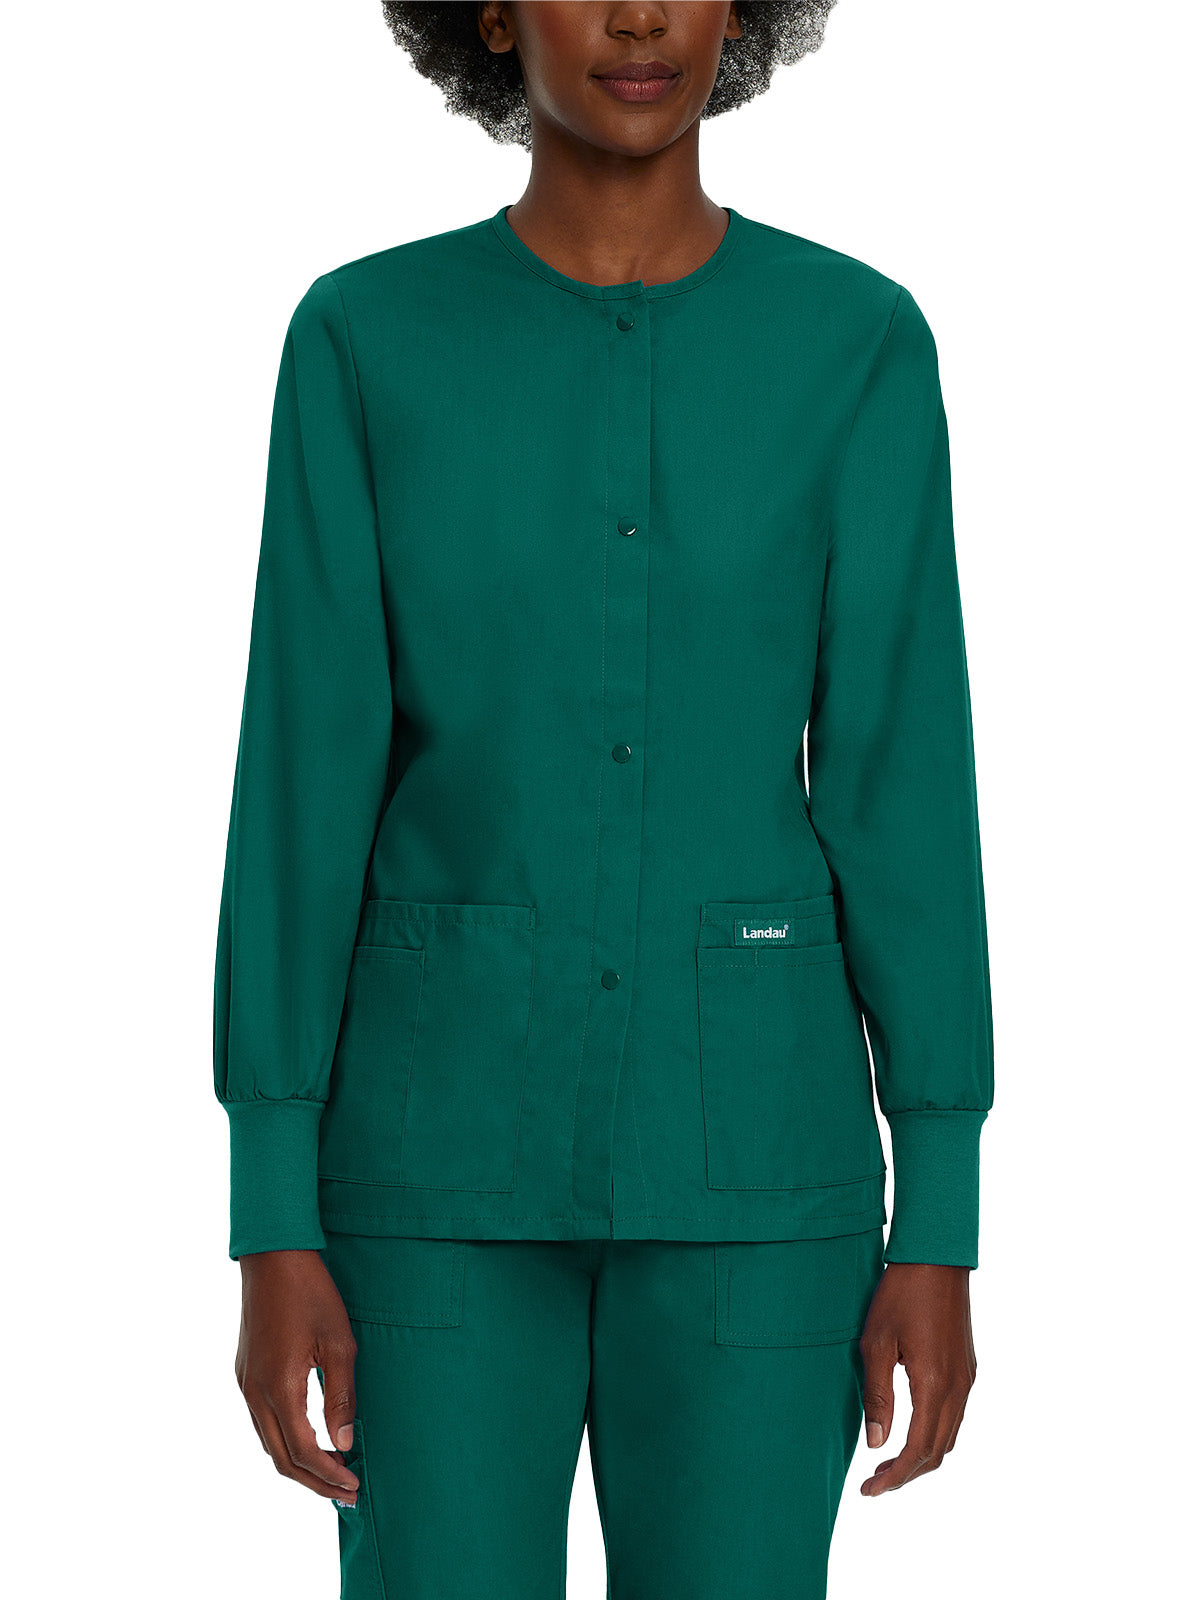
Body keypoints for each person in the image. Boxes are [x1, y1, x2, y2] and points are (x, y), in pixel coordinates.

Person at [213, 4, 995, 1597]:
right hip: (428, 1179)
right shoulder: (365, 340)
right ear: (492, 13)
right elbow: (300, 792)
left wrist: (941, 1212)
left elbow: (903, 790)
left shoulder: (855, 344)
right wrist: (268, 1210)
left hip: (762, 1174)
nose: (640, 15)